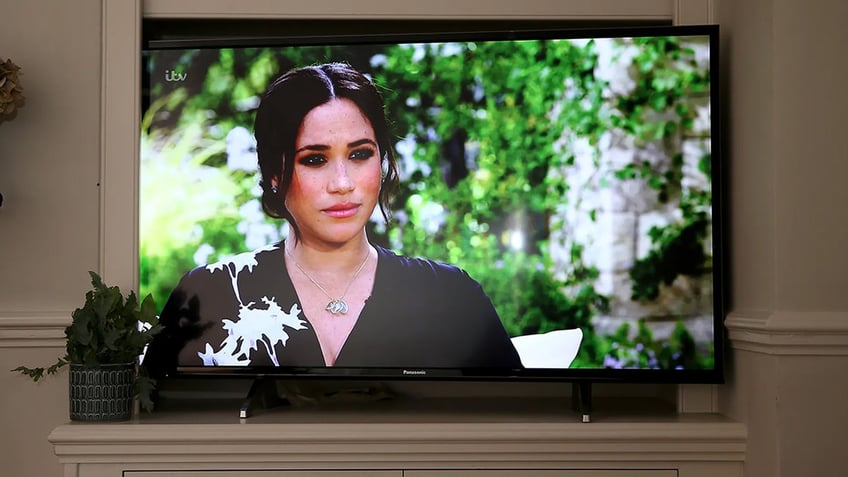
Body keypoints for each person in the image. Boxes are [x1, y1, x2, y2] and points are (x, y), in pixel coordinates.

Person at [143, 62, 522, 378]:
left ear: (382, 160)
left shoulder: (452, 298)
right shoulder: (208, 295)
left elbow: (515, 422)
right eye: (314, 159)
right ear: (275, 172)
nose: (342, 184)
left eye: (360, 155)